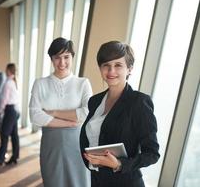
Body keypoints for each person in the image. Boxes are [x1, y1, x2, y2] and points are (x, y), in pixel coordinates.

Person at [80, 41, 160, 187]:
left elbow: (152, 154)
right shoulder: (95, 101)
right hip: (97, 180)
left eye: (118, 65)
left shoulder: (139, 103)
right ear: (100, 68)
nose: (111, 71)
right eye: (106, 65)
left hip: (126, 182)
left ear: (129, 69)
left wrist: (119, 164)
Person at [29, 37, 92, 187]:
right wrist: (69, 123)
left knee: (79, 182)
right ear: (51, 59)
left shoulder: (82, 83)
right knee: (53, 182)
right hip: (51, 145)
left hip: (78, 144)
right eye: (57, 57)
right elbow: (34, 115)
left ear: (72, 57)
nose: (62, 63)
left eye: (66, 57)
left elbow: (87, 112)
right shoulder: (41, 83)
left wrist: (52, 112)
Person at [0, 63, 20, 168]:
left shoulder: (8, 83)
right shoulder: (14, 81)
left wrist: (0, 110)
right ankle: (15, 157)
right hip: (15, 110)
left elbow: (4, 99)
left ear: (8, 70)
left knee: (4, 135)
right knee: (14, 135)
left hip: (10, 111)